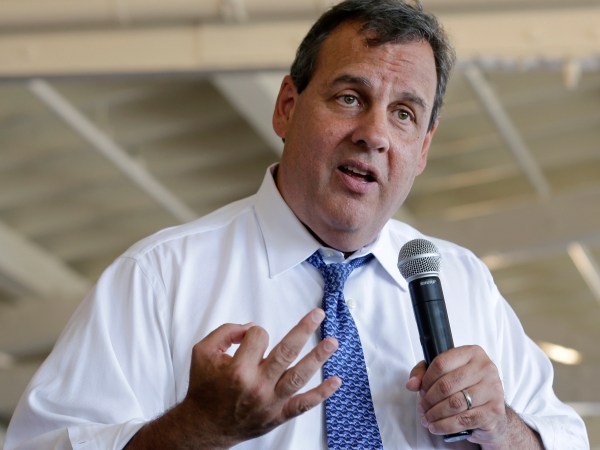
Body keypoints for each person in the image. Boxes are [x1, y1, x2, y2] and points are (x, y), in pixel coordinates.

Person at [5, 0, 589, 449]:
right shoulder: (159, 276)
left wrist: (503, 427)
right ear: (287, 106)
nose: (374, 134)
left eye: (404, 114)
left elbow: (564, 438)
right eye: (349, 97)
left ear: (424, 150)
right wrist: (197, 426)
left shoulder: (465, 283)